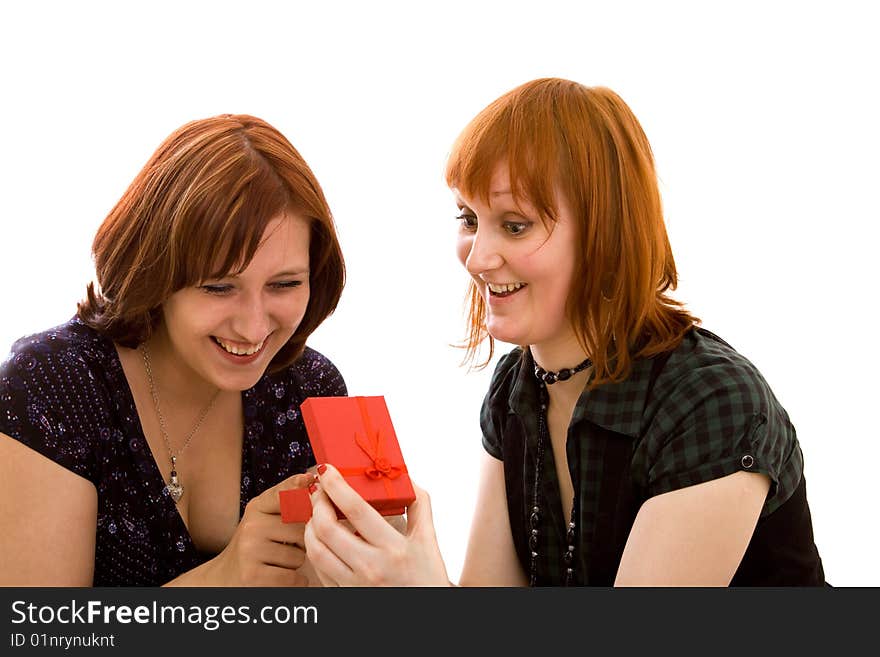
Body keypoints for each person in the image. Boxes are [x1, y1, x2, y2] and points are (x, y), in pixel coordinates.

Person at [303, 78, 827, 586]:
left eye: (514, 225)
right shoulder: (519, 385)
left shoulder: (709, 402)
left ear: (606, 233)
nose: (478, 258)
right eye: (468, 218)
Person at [0, 114, 346, 586]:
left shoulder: (310, 389)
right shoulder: (51, 387)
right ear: (156, 275)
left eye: (284, 284)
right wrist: (226, 576)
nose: (253, 326)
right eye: (219, 288)